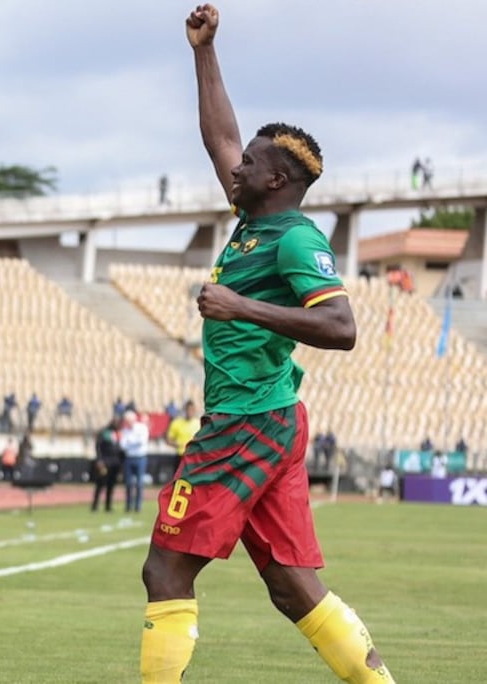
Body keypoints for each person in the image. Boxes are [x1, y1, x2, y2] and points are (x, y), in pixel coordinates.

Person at [137, 8, 393, 682]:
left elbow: (343, 329)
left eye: (249, 163)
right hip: (269, 418)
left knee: (165, 566)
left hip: (246, 422)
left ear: (277, 179)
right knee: (291, 586)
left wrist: (237, 305)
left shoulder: (295, 239)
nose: (235, 167)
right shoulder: (253, 218)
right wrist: (205, 52)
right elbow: (219, 134)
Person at [119, 410, 149, 513]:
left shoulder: (142, 428)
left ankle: (138, 506)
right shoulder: (125, 430)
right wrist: (132, 443)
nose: (127, 422)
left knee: (139, 483)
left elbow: (142, 442)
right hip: (129, 458)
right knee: (128, 483)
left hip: (140, 457)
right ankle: (128, 505)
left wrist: (130, 443)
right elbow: (122, 445)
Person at [92, 419, 122, 513]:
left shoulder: (118, 433)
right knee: (100, 484)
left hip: (115, 463)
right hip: (105, 461)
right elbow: (98, 447)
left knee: (111, 485)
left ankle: (108, 506)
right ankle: (95, 505)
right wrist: (99, 460)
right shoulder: (104, 432)